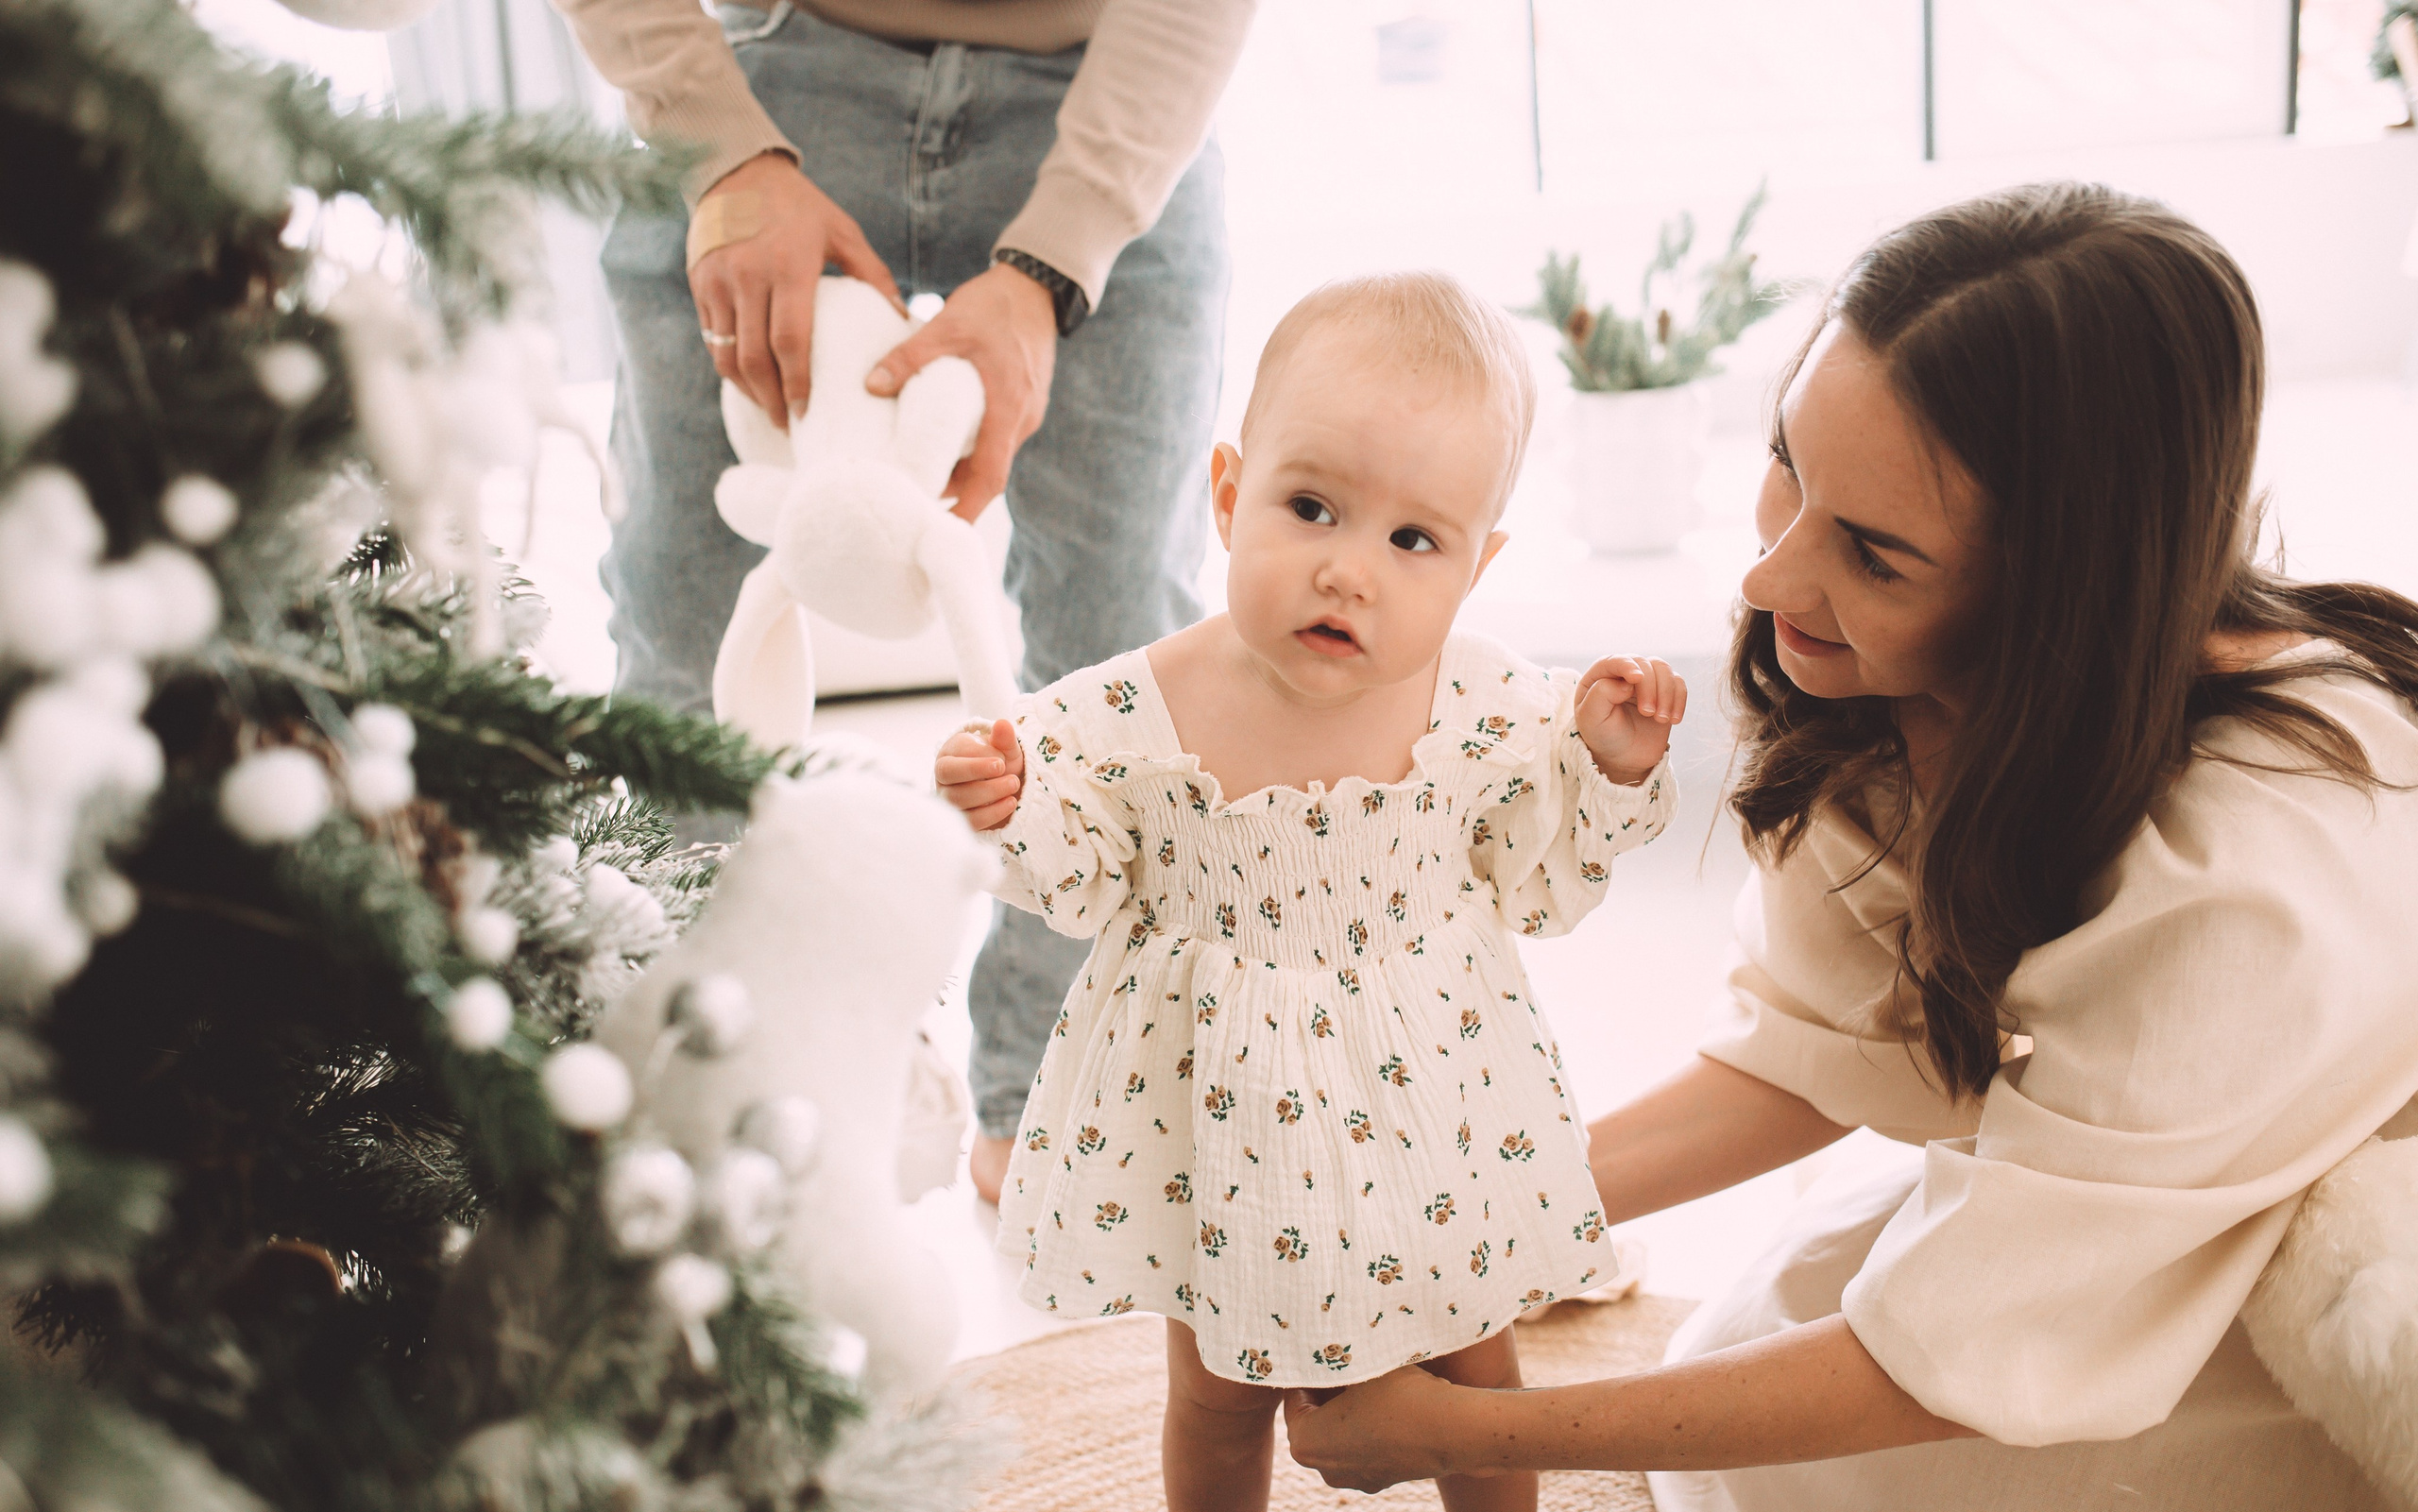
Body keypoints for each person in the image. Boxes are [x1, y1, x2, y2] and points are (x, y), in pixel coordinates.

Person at [1280, 182, 2418, 1510]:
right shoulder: (1952, 694)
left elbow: (1957, 1353)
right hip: (2145, 1175)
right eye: (1789, 467)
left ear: (2062, 582)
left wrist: (1459, 1434)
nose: (1768, 579)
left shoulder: (2257, 886)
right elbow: (1813, 1053)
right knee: (1754, 1359)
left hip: (2342, 1250)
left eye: (1873, 551)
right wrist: (1452, 1215)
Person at [932, 273, 1689, 1512]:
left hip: (1431, 1095)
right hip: (1216, 1103)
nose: (1350, 572)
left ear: (1476, 565)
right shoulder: (1141, 704)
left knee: (1471, 1367)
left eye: (1412, 541)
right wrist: (1012, 800)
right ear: (1230, 497)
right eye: (1312, 507)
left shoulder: (1488, 702)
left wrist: (1605, 763)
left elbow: (1539, 876)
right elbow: (1075, 868)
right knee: (1220, 1394)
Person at [548, 0, 1255, 1200]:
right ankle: (702, 1095)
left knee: (1125, 637)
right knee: (683, 625)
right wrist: (718, 151)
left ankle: (1049, 1098)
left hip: (1108, 84)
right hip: (772, 73)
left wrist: (1055, 258)